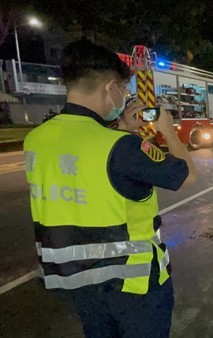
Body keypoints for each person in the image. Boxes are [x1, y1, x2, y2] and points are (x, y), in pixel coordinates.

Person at [23, 39, 198, 338]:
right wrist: (166, 128)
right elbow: (187, 175)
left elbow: (90, 169)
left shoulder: (36, 139)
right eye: (123, 89)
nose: (125, 96)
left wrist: (120, 128)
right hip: (134, 288)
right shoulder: (123, 148)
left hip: (77, 283)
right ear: (109, 88)